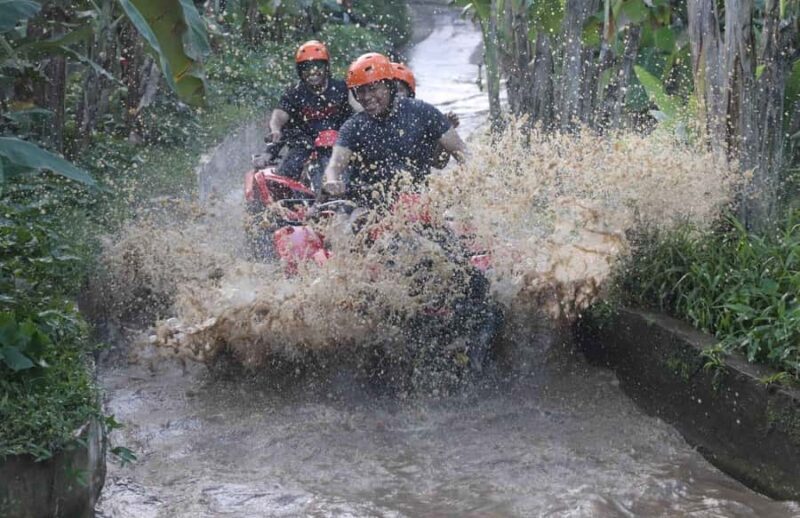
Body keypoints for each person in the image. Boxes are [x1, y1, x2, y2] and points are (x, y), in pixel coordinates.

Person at [323, 53, 467, 207]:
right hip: (369, 208)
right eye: (361, 91)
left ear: (389, 86)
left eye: (373, 89)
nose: (367, 97)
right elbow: (335, 165)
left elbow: (462, 152)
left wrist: (467, 183)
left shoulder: (423, 112)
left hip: (418, 205)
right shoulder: (353, 127)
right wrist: (332, 181)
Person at [268, 40, 353, 179]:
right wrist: (275, 129)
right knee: (288, 170)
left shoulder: (342, 88)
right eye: (306, 67)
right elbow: (278, 117)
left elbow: (359, 110)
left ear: (326, 67)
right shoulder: (294, 93)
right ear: (300, 71)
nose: (313, 72)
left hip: (339, 144)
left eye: (317, 66)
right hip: (305, 146)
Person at [391, 61, 460, 169]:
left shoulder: (422, 121)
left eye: (400, 90)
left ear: (410, 94)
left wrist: (445, 131)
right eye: (391, 90)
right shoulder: (370, 123)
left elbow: (438, 163)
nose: (396, 95)